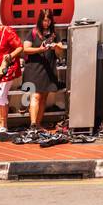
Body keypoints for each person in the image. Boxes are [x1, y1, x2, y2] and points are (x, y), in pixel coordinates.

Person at [20, 8, 65, 136]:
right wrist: (40, 49)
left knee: (44, 97)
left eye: (49, 20)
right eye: (44, 20)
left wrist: (56, 46)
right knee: (35, 95)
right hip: (34, 67)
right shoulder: (33, 32)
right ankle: (33, 125)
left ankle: (38, 125)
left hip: (49, 68)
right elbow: (26, 49)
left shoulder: (54, 34)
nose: (47, 23)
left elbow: (60, 52)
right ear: (40, 20)